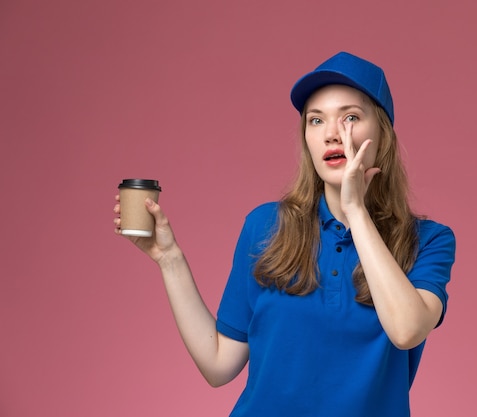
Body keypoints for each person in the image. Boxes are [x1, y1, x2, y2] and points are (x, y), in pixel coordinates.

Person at [114, 51, 456, 417]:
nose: (330, 134)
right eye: (315, 120)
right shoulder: (265, 226)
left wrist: (355, 210)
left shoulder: (429, 240)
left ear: (382, 135)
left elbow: (406, 330)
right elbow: (218, 364)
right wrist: (169, 259)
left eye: (350, 117)